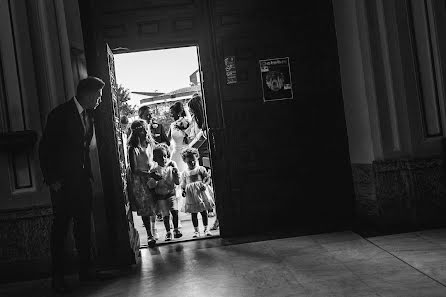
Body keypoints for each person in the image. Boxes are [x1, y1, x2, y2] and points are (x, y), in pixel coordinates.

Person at [38, 76, 104, 293]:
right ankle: (57, 278)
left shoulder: (89, 115)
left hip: (82, 182)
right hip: (63, 185)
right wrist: (52, 179)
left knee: (83, 228)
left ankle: (86, 271)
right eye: (98, 95)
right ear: (87, 94)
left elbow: (83, 148)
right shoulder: (60, 114)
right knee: (60, 232)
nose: (100, 99)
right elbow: (45, 149)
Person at [187, 94, 218, 229]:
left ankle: (218, 218)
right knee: (210, 188)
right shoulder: (200, 121)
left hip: (208, 158)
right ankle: (218, 217)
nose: (190, 112)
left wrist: (190, 148)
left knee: (212, 189)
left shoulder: (205, 122)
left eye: (191, 109)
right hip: (203, 158)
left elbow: (199, 141)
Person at [127, 119, 158, 248]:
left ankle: (154, 228)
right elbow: (134, 169)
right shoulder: (133, 148)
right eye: (141, 129)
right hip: (140, 179)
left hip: (151, 175)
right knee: (145, 207)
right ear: (135, 131)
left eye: (145, 128)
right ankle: (149, 234)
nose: (145, 131)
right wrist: (149, 174)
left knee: (154, 204)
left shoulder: (149, 143)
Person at [148, 143, 183, 241]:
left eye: (164, 156)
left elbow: (177, 182)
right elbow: (151, 186)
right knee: (165, 215)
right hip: (161, 196)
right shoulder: (154, 170)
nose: (163, 158)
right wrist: (154, 179)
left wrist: (176, 172)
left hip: (171, 193)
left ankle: (176, 230)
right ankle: (168, 232)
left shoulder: (171, 166)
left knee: (175, 212)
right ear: (155, 159)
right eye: (160, 157)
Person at [180, 147, 215, 238]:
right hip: (191, 196)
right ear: (185, 161)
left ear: (197, 158)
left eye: (193, 160)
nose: (192, 162)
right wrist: (183, 191)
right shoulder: (185, 173)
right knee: (194, 214)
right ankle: (196, 231)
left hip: (201, 194)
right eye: (189, 161)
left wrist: (205, 185)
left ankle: (206, 228)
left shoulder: (200, 169)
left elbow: (207, 178)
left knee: (203, 212)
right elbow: (183, 183)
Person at [168, 101, 191, 174]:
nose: (171, 115)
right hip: (175, 155)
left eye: (172, 113)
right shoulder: (172, 125)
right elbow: (167, 140)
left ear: (178, 112)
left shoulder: (188, 123)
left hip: (187, 154)